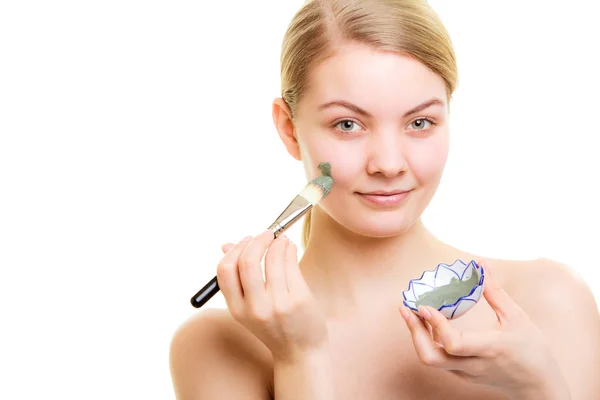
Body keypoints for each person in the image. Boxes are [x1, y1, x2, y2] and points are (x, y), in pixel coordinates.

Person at [169, 0, 600, 398]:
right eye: (348, 125)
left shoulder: (548, 301)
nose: (389, 164)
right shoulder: (221, 345)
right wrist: (300, 357)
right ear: (288, 128)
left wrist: (540, 382)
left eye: (420, 121)